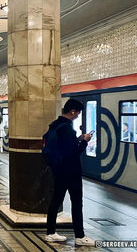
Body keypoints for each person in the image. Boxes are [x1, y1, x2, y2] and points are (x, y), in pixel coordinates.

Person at [45, 98, 95, 246]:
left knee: (56, 201)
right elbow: (73, 152)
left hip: (58, 169)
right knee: (77, 203)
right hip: (71, 171)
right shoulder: (67, 128)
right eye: (78, 113)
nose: (77, 116)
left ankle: (50, 232)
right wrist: (85, 141)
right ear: (72, 111)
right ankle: (80, 236)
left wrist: (77, 139)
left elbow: (63, 146)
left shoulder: (55, 125)